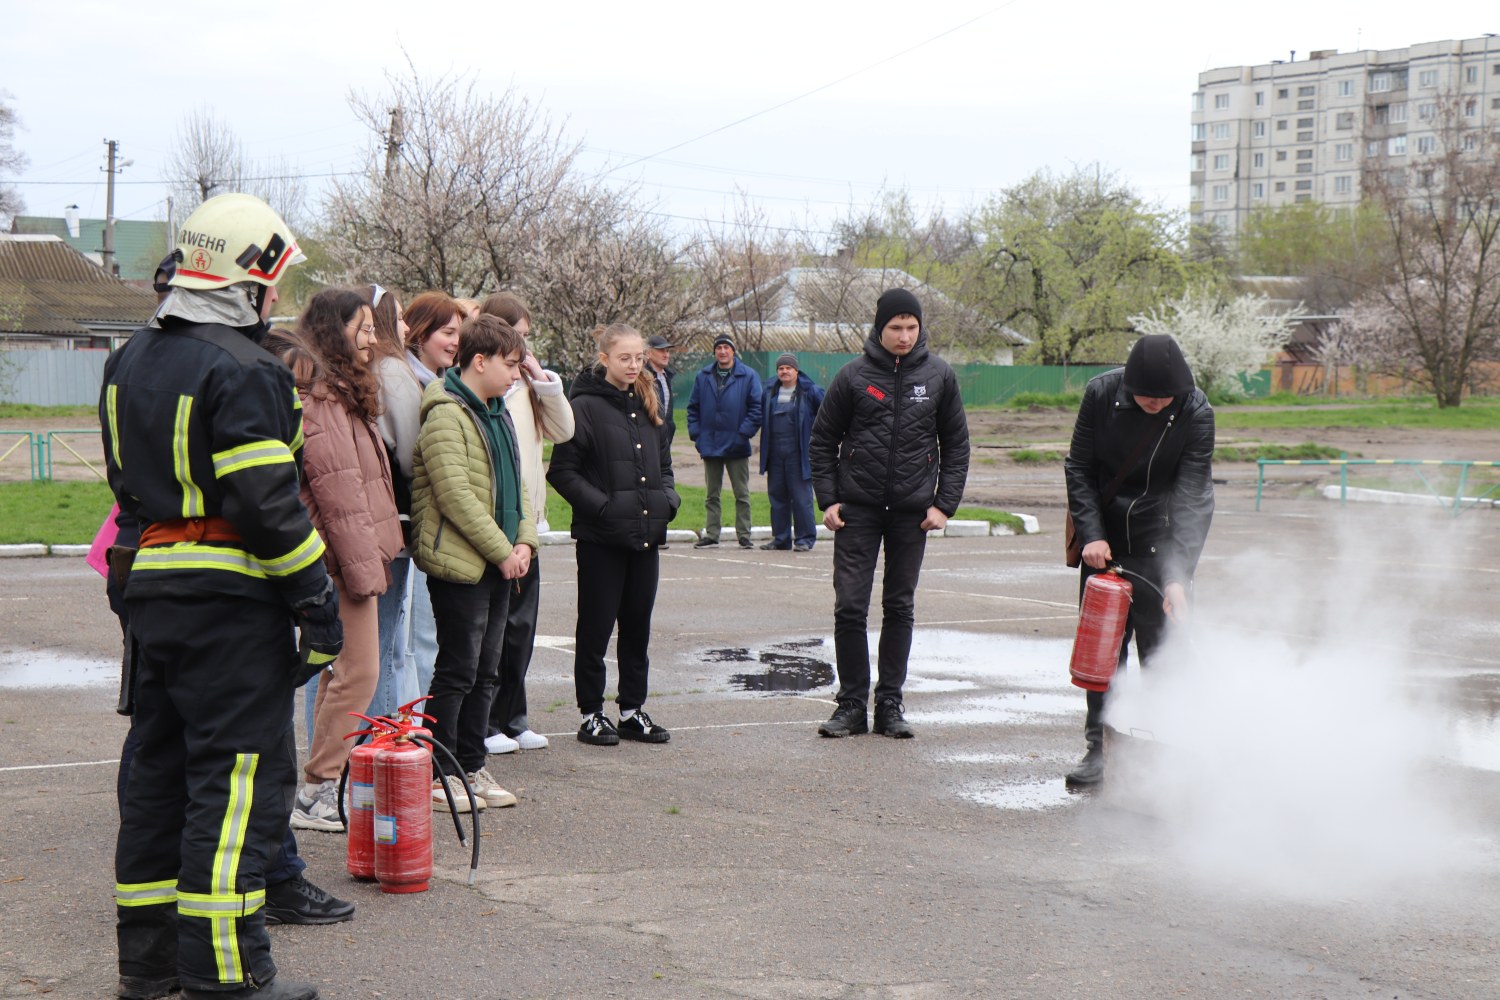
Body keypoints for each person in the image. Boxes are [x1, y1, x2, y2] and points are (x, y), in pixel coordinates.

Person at [101, 193, 335, 1000]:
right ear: (248, 282)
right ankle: (228, 977)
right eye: (274, 286)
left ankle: (150, 967)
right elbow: (267, 506)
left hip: (152, 596)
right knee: (237, 787)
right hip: (232, 606)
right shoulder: (245, 369)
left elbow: (127, 492)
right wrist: (318, 604)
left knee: (158, 777)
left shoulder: (128, 358)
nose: (279, 301)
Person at [808, 288, 970, 740]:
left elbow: (956, 445)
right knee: (851, 606)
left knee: (899, 606)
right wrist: (829, 498)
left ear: (920, 329)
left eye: (911, 327)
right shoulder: (853, 376)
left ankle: (890, 702)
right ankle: (852, 704)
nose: (903, 335)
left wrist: (944, 505)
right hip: (857, 510)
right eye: (895, 327)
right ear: (880, 329)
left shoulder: (939, 376)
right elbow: (822, 440)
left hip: (912, 514)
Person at [1061, 334, 1214, 788]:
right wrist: (1092, 535)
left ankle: (1164, 750)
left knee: (1165, 654)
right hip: (1104, 545)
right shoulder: (1101, 395)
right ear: (1129, 387)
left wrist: (1177, 576)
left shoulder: (1196, 411)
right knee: (1103, 655)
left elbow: (1193, 496)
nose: (1155, 403)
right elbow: (1080, 468)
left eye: (1164, 398)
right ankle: (1099, 748)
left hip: (1161, 543)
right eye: (1147, 397)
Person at [410, 314, 538, 811]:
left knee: (488, 670)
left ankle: (471, 765)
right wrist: (503, 551)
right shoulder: (445, 412)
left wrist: (524, 541)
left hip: (501, 560)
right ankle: (440, 773)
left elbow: (518, 486)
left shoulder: (497, 411)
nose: (515, 375)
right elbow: (456, 495)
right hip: (463, 565)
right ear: (478, 361)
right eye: (510, 364)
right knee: (458, 670)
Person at [288, 290, 403, 832]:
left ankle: (318, 785)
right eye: (361, 328)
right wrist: (363, 570)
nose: (372, 338)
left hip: (344, 556)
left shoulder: (338, 393)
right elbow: (340, 497)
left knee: (339, 675)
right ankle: (317, 790)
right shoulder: (325, 400)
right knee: (360, 673)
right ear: (335, 332)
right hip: (341, 560)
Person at [548, 323, 679, 747]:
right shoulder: (582, 406)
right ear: (604, 358)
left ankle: (631, 711)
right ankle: (591, 713)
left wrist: (668, 501)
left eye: (639, 357)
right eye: (625, 358)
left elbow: (664, 465)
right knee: (596, 628)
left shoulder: (649, 400)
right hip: (602, 540)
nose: (634, 365)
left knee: (637, 627)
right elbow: (562, 472)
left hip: (646, 537)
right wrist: (603, 508)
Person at [478, 292, 574, 754]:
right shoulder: (489, 391)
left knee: (521, 630)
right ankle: (488, 721)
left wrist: (542, 381)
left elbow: (564, 431)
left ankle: (514, 717)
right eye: (518, 337)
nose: (524, 348)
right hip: (498, 526)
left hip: (528, 525)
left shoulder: (528, 387)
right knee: (493, 631)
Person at [402, 292, 466, 699]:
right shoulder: (408, 384)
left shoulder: (437, 383)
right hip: (411, 526)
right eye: (448, 332)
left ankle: (416, 733)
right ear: (420, 331)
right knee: (410, 640)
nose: (456, 342)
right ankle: (411, 736)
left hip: (424, 527)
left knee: (422, 638)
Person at [364, 283, 423, 720]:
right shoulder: (392, 370)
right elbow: (410, 453)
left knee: (340, 662)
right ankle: (374, 766)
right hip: (389, 524)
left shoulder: (354, 369)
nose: (405, 326)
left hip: (354, 526)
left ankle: (338, 766)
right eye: (399, 316)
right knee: (381, 650)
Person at [686, 333, 762, 549]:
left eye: (726, 347)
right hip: (709, 445)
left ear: (733, 351)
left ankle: (744, 534)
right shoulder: (703, 376)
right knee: (712, 495)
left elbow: (756, 409)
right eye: (718, 348)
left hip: (737, 445)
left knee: (742, 493)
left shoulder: (748, 376)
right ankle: (711, 534)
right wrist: (697, 436)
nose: (722, 351)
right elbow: (693, 409)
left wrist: (742, 435)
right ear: (714, 352)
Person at [757, 353, 825, 552]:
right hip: (775, 453)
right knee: (777, 497)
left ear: (796, 371)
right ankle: (781, 539)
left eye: (788, 368)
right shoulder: (769, 392)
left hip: (799, 453)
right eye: (781, 368)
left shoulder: (810, 391)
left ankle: (805, 539)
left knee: (801, 498)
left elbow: (827, 416)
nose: (784, 371)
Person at [645, 334, 678, 445]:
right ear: (649, 353)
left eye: (667, 351)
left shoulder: (666, 376)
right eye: (661, 350)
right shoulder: (642, 378)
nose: (666, 355)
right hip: (648, 441)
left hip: (665, 440)